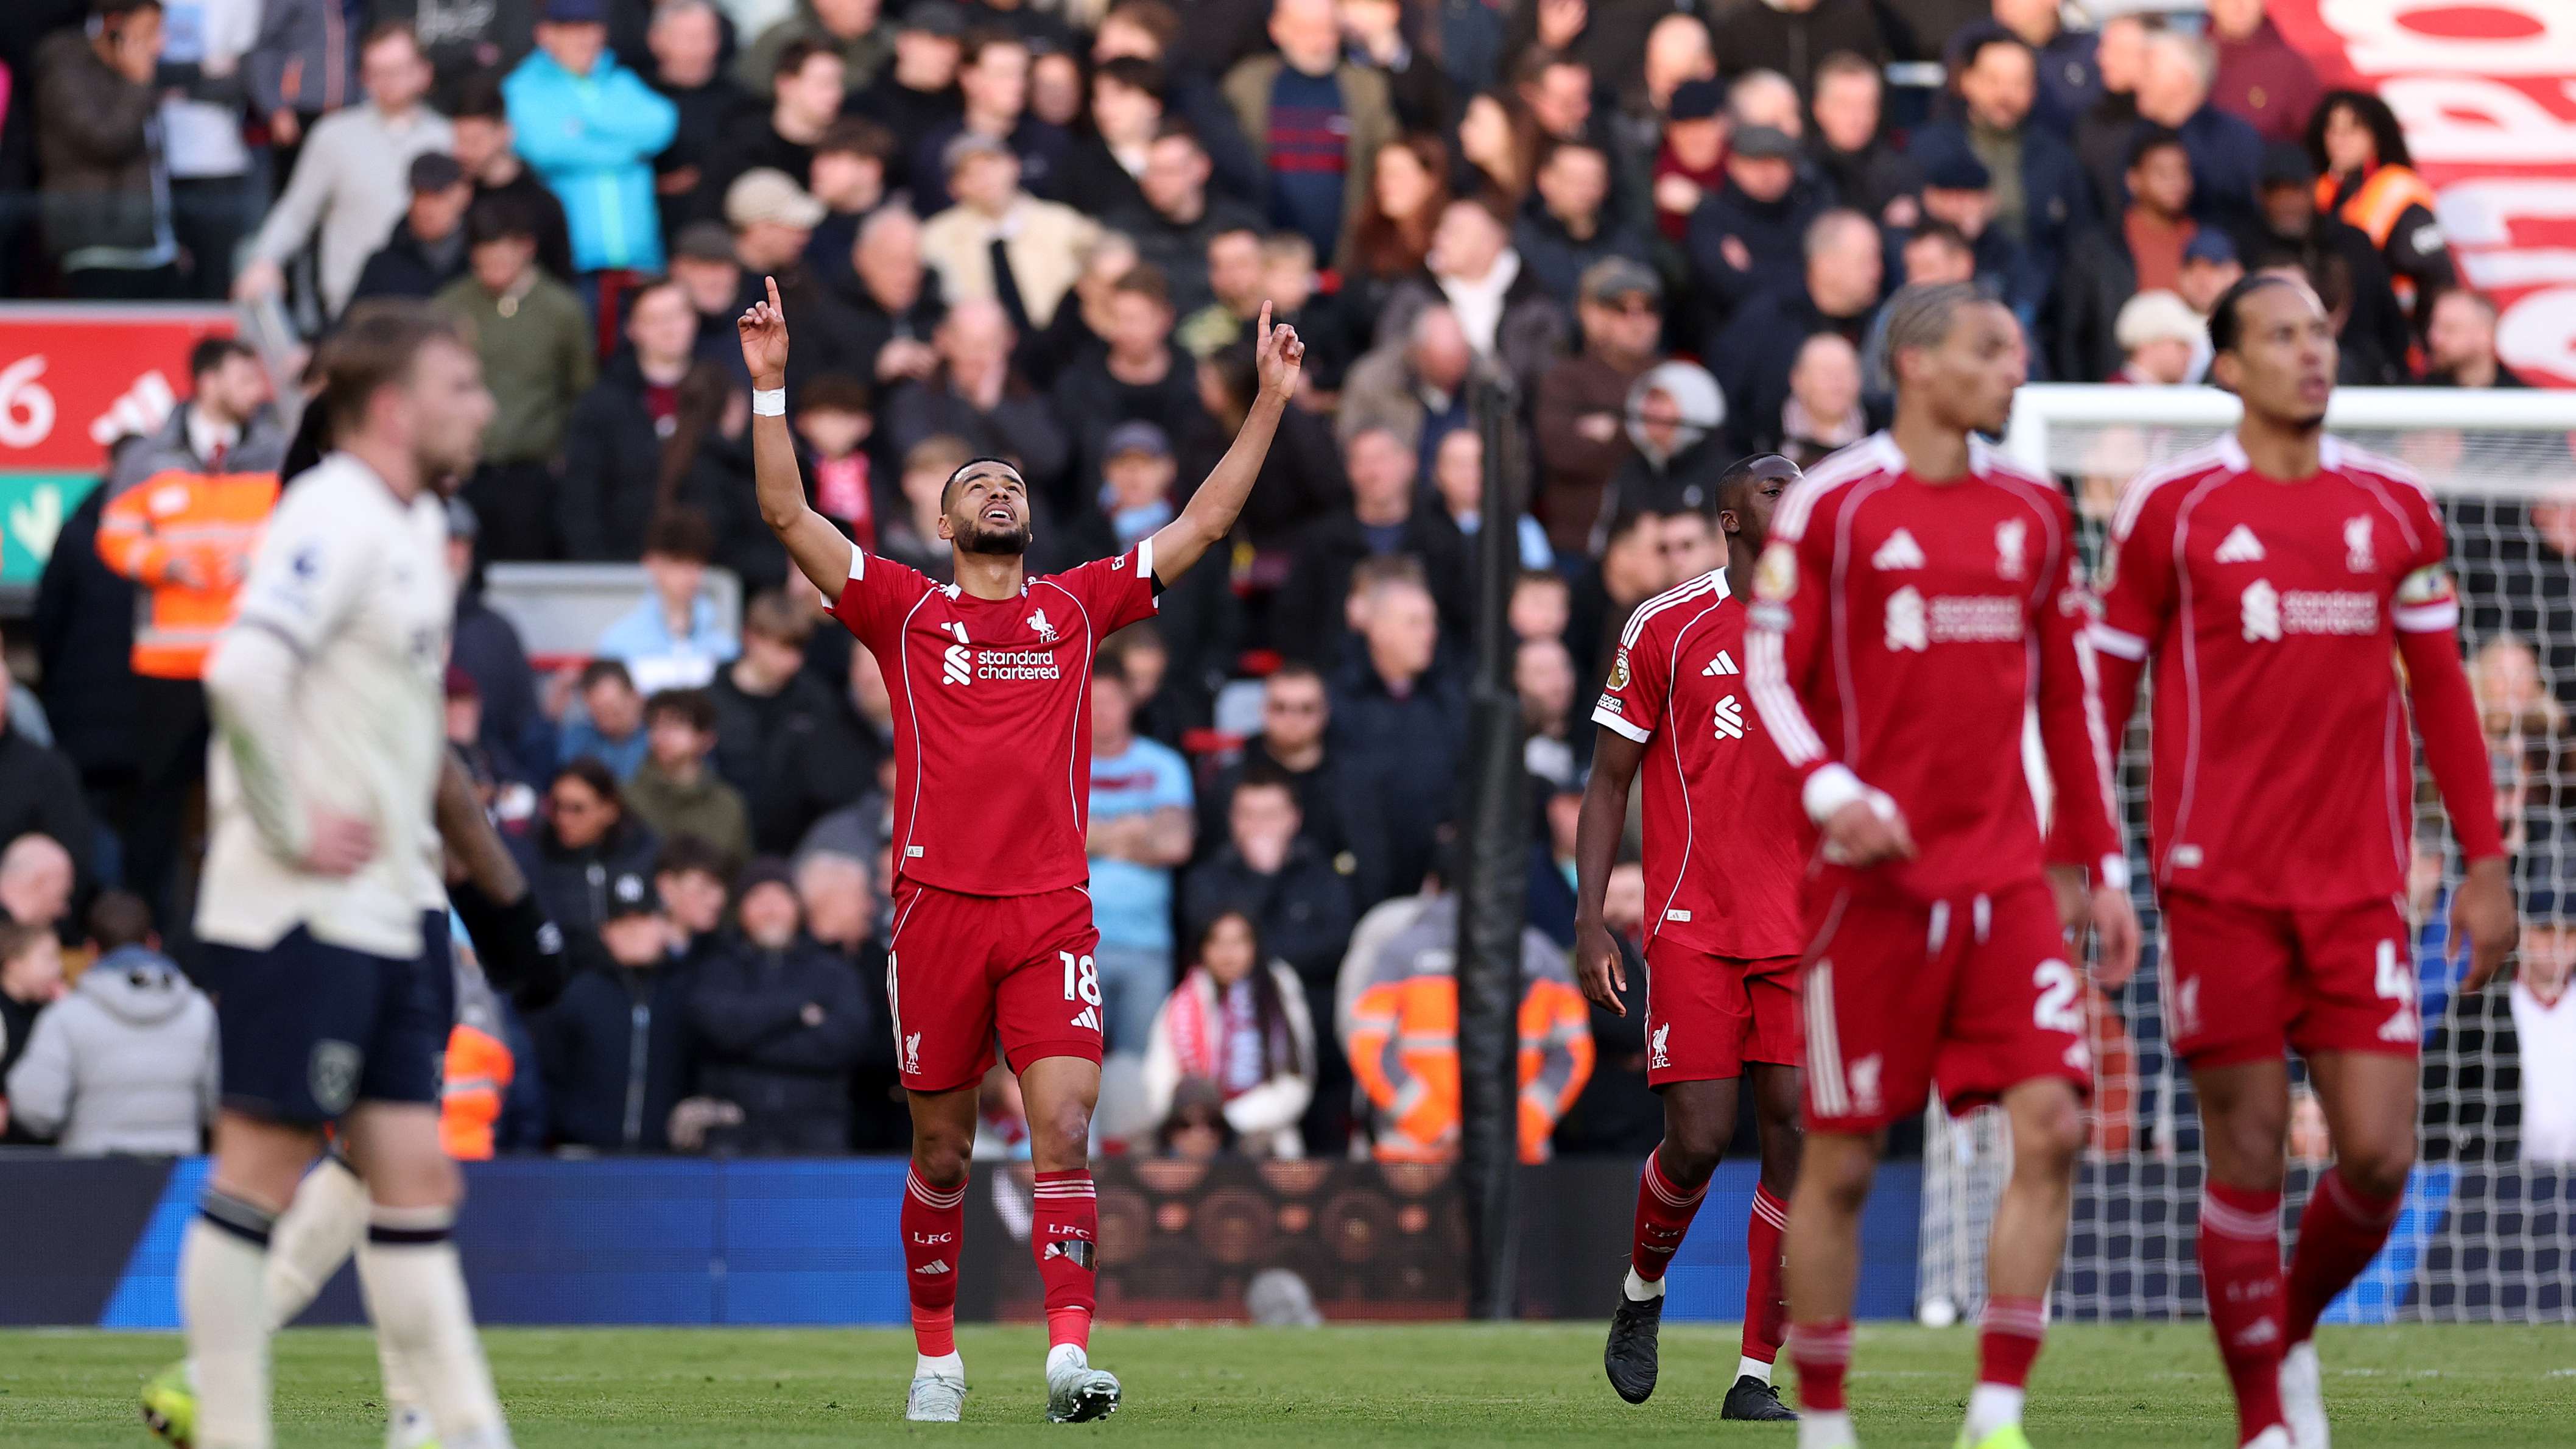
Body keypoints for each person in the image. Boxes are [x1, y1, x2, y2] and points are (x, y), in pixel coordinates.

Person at [739, 272, 1302, 1420]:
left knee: (1064, 1122)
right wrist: (768, 391)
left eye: (1011, 480)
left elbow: (1204, 522)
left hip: (1051, 907)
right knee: (942, 1150)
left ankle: (1065, 1355)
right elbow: (791, 520)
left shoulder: (1079, 605)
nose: (999, 489)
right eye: (975, 484)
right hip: (937, 905)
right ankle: (938, 1358)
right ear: (943, 524)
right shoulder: (903, 609)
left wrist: (1271, 401)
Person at [2086, 274, 2518, 1449]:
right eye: (2280, 336)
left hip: (2362, 885)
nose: (2310, 354)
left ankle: (2282, 1326)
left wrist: (2486, 861)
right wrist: (2094, 855)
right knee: (2251, 1148)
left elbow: (2441, 691)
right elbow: (2102, 687)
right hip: (2215, 883)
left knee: (2377, 1153)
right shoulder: (2171, 507)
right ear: (2228, 365)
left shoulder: (2396, 504)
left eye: (2321, 333)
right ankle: (2265, 1420)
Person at [1742, 282, 2139, 1449]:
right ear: (1917, 364)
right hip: (1871, 888)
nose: (2015, 370)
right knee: (1846, 1161)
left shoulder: (2033, 508)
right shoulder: (1835, 508)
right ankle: (1823, 1419)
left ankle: (1998, 1412)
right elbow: (1772, 671)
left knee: (2056, 1122)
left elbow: (2072, 697)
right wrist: (1832, 790)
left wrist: (2100, 859)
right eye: (1990, 351)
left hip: (2007, 877)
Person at [171, 302, 514, 1449]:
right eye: (460, 384)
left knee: (418, 1177)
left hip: (383, 905)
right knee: (261, 1171)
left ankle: (461, 1423)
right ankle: (232, 1430)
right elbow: (242, 671)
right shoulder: (334, 511)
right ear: (389, 405)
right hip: (303, 906)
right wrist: (287, 821)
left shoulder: (416, 526)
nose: (483, 405)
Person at [1577, 453, 1806, 1421]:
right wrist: (1590, 917)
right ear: (1728, 518)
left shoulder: (1843, 627)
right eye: (1771, 487)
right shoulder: (1666, 624)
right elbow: (1607, 780)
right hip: (1693, 921)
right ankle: (1640, 1291)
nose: (1792, 499)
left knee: (1797, 1126)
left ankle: (1755, 1372)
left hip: (1807, 929)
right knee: (1699, 1139)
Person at [236, 23, 450, 319]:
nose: (387, 82)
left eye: (397, 70)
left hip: (427, 308)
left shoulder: (447, 139)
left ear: (423, 72)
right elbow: (298, 210)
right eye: (376, 72)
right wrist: (264, 260)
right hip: (350, 309)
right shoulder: (334, 135)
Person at [434, 197, 596, 562]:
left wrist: (563, 456)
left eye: (502, 257)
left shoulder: (561, 310)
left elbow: (580, 390)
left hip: (534, 474)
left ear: (526, 248)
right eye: (484, 260)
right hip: (465, 472)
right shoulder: (449, 307)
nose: (493, 270)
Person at [4, 892, 216, 1154]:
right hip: (178, 1182)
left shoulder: (66, 1015)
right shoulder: (200, 1011)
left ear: (92, 950)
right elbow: (217, 1106)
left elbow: (36, 1109)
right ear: (153, 943)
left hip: (91, 1181)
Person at [688, 858, 873, 1153]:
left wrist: (747, 1039)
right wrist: (799, 1011)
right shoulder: (717, 968)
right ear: (740, 910)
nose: (771, 910)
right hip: (733, 1137)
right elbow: (716, 1029)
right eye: (758, 898)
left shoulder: (833, 971)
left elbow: (845, 1043)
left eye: (780, 898)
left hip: (816, 1137)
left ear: (798, 907)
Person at [503, 0, 680, 280]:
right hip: (567, 261)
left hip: (640, 258)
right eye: (572, 29)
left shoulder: (620, 79)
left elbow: (662, 124)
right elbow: (543, 148)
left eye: (591, 27)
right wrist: (628, 151)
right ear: (545, 34)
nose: (585, 38)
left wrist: (585, 126)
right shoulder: (522, 86)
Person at [1223, 0, 1395, 272]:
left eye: (1329, 30)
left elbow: (1387, 162)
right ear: (1277, 30)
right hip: (1267, 261)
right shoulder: (1246, 86)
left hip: (1347, 261)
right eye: (1306, 30)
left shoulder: (1367, 89)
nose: (1322, 41)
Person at [533, 868, 699, 1151]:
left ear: (664, 926)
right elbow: (548, 1075)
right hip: (583, 1156)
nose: (633, 931)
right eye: (621, 921)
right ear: (604, 931)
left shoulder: (685, 994)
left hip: (665, 1161)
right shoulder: (577, 994)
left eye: (644, 919)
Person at [1139, 909, 1315, 1158]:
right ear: (1203, 948)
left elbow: (1296, 1082)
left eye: (1237, 942)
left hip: (1262, 1134)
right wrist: (1190, 1122)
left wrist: (1230, 1120)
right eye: (1217, 943)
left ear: (1254, 946)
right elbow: (1158, 1078)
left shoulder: (1278, 993)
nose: (1228, 954)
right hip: (1192, 1136)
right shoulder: (1183, 1002)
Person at [33, 0, 180, 298]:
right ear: (115, 25)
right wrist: (137, 85)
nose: (160, 44)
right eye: (150, 32)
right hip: (97, 247)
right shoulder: (66, 65)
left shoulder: (134, 78)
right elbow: (103, 141)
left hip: (151, 248)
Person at [1084, 670, 1195, 1054]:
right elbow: (1046, 844)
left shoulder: (1163, 765)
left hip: (1147, 944)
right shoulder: (1057, 761)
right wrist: (1135, 829)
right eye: (1092, 701)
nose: (1101, 711)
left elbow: (1176, 843)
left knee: (1142, 1071)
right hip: (1073, 945)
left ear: (1130, 703)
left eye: (1111, 701)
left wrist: (1093, 835)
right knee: (1071, 1068)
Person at [1533, 259, 1663, 557]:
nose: (1638, 320)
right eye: (1621, 309)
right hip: (1580, 546)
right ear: (1596, 315)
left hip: (1664, 550)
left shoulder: (1676, 378)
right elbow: (1562, 452)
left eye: (1649, 309)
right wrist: (1646, 432)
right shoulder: (1565, 378)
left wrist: (1614, 431)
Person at [2051, 126, 2199, 384]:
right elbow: (2071, 334)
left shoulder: (2206, 244)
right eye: (2162, 173)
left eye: (2182, 172)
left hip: (2194, 386)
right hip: (2121, 390)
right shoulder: (2099, 249)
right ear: (2133, 180)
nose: (2175, 182)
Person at [2309, 90, 2457, 337]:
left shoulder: (2399, 190)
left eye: (2352, 130)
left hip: (2390, 332)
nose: (2339, 140)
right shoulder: (2322, 191)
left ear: (2376, 135)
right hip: (2337, 325)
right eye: (2332, 130)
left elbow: (2436, 276)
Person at [595, 508, 741, 695]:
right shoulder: (618, 643)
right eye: (678, 562)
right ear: (652, 563)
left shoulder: (723, 646)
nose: (692, 575)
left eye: (698, 563)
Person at [532, 758, 664, 945]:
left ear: (610, 810)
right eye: (557, 807)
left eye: (577, 809)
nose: (563, 819)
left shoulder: (644, 854)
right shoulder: (537, 860)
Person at [625, 689, 753, 872]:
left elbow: (739, 871)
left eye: (676, 726)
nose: (663, 735)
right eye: (656, 726)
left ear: (707, 739)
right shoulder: (628, 798)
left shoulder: (728, 804)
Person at [348, 152, 478, 306]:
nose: (426, 209)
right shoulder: (383, 266)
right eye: (419, 195)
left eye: (438, 196)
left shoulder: (482, 263)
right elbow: (352, 324)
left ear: (464, 195)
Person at [558, 660, 649, 779]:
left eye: (614, 711)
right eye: (598, 714)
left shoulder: (658, 739)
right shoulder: (579, 739)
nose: (608, 724)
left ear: (636, 697)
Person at [2425, 289, 2526, 390]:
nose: (2435, 338)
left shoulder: (2524, 400)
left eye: (2450, 329)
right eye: (2433, 328)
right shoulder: (2420, 396)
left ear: (2485, 336)